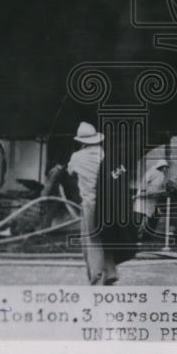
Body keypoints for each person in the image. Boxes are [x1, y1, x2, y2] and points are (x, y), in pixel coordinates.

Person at [67, 121, 118, 285]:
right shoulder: (104, 154)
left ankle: (96, 276)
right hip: (108, 202)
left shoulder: (77, 157)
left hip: (90, 203)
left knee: (92, 240)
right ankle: (110, 271)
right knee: (107, 237)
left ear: (81, 141)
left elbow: (70, 172)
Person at [133, 159, 169, 242]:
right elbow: (144, 183)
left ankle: (143, 238)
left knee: (147, 221)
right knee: (141, 221)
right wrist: (144, 192)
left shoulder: (162, 176)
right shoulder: (152, 172)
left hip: (152, 201)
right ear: (161, 167)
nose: (166, 169)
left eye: (167, 168)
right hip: (144, 200)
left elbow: (159, 189)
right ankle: (137, 238)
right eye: (165, 167)